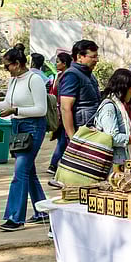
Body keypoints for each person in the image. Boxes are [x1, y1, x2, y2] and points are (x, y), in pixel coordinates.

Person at [0, 47, 50, 231]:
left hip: (33, 127)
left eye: (7, 66)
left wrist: (16, 111)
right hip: (18, 127)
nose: (6, 69)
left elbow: (41, 109)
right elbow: (8, 103)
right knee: (28, 172)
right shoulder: (14, 81)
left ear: (18, 64)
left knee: (20, 172)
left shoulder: (34, 80)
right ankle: (42, 210)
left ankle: (15, 217)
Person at [49, 40, 99, 180]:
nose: (96, 60)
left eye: (97, 56)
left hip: (90, 130)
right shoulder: (72, 75)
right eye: (93, 56)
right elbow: (66, 108)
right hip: (80, 131)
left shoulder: (89, 75)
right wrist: (73, 137)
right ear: (79, 57)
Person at [95, 68, 131, 165]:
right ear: (124, 88)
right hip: (112, 164)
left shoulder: (118, 106)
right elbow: (113, 138)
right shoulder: (109, 107)